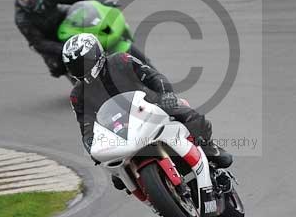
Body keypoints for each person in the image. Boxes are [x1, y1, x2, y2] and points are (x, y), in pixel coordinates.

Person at [62, 33, 233, 183]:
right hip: (118, 130)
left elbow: (153, 76)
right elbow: (86, 126)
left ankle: (210, 149)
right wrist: (91, 145)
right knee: (118, 179)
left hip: (151, 106)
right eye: (75, 66)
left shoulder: (121, 60)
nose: (80, 69)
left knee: (189, 116)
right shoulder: (77, 95)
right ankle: (152, 192)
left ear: (96, 54)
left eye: (83, 63)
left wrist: (166, 94)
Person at [14, 0, 117, 78]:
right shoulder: (22, 19)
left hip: (63, 24)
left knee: (86, 18)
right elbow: (39, 43)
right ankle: (83, 81)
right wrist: (65, 49)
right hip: (49, 40)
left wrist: (101, 2)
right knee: (57, 67)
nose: (28, 1)